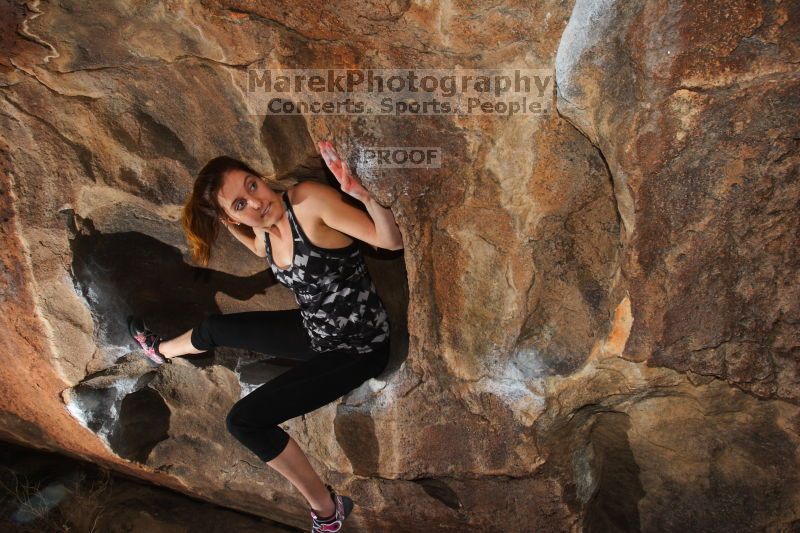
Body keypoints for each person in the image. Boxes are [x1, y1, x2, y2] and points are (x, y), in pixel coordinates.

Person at [128, 140, 403, 533]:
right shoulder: (266, 232)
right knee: (213, 328)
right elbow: (261, 248)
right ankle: (159, 352)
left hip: (356, 348)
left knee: (244, 422)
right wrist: (236, 227)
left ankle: (328, 512)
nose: (256, 203)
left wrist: (361, 195)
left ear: (260, 178)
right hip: (313, 330)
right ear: (233, 218)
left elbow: (390, 241)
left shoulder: (308, 203)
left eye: (252, 186)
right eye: (239, 204)